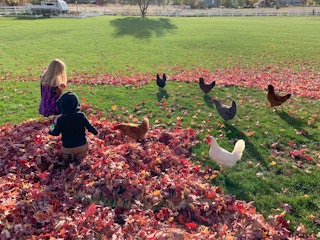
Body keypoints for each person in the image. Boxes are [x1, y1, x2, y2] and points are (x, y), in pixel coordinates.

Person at [49, 91, 98, 163]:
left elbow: (55, 133)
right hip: (82, 146)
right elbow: (89, 127)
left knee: (65, 158)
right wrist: (96, 132)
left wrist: (51, 127)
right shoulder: (81, 116)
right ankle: (80, 160)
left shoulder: (61, 119)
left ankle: (65, 161)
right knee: (81, 157)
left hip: (67, 147)